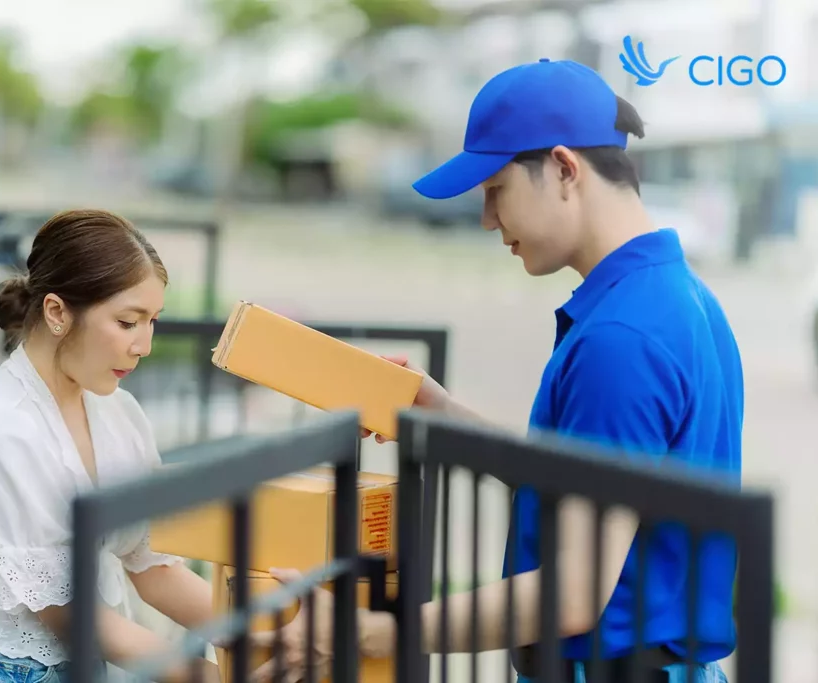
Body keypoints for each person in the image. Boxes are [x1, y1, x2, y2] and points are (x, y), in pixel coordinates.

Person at [249, 59, 741, 683]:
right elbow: (588, 480)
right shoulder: (677, 298)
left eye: (494, 189)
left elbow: (574, 590)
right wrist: (436, 412)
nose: (487, 219)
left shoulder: (621, 338)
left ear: (564, 169)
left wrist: (373, 632)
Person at [0, 209, 219, 683]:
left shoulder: (117, 411)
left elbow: (154, 568)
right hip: (5, 670)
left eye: (152, 321)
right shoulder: (1, 426)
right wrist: (207, 675)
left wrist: (270, 634)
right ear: (56, 312)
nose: (144, 345)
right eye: (128, 322)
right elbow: (65, 611)